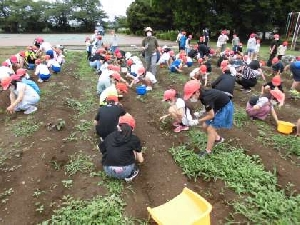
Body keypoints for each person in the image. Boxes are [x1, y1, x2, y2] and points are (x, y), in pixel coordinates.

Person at [183, 80, 234, 157]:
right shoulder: (203, 94)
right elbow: (209, 105)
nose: (190, 98)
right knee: (204, 126)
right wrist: (201, 112)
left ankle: (208, 151)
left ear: (197, 92)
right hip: (217, 107)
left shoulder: (206, 98)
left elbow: (211, 115)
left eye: (190, 96)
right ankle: (218, 139)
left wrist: (197, 121)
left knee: (210, 129)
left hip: (225, 108)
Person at [99, 114, 143, 182]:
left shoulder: (110, 136)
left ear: (118, 126)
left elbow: (101, 150)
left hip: (108, 170)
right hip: (125, 171)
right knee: (133, 152)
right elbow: (140, 160)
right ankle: (130, 175)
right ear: (133, 128)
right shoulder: (134, 139)